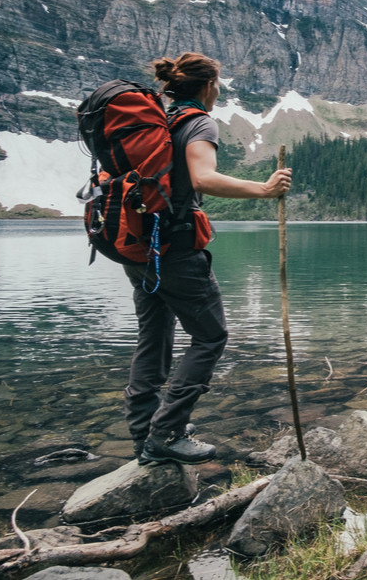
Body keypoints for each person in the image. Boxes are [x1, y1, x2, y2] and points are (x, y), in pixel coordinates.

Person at [124, 52, 291, 465]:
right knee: (210, 336)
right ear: (208, 86)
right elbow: (203, 178)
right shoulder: (198, 121)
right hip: (177, 250)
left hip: (137, 246)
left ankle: (145, 430)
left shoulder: (156, 120)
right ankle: (166, 432)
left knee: (154, 337)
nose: (219, 91)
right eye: (218, 85)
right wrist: (264, 190)